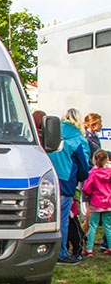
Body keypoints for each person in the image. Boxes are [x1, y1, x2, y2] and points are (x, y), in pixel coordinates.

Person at [47, 108, 91, 264]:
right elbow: (84, 166)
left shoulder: (52, 135)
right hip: (67, 182)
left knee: (48, 218)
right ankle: (61, 253)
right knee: (63, 220)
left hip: (49, 180)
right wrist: (81, 178)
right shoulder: (79, 139)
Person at [81, 149, 111, 257]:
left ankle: (89, 249)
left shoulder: (92, 173)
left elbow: (86, 188)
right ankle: (110, 247)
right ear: (107, 159)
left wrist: (89, 195)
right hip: (108, 202)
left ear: (94, 159)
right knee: (108, 226)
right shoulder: (109, 172)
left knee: (93, 225)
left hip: (96, 202)